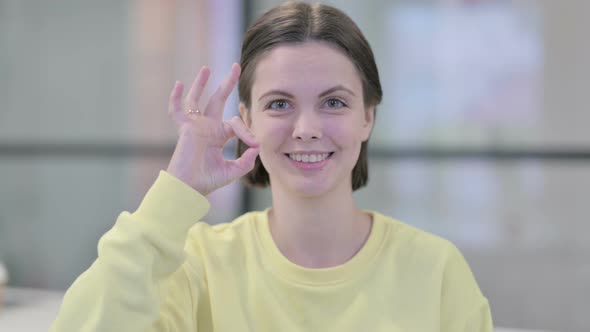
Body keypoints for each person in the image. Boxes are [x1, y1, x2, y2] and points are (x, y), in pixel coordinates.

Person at [50, 2, 493, 331]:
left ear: (368, 117)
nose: (306, 128)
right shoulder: (195, 265)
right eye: (279, 104)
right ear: (245, 120)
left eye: (334, 102)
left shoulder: (436, 272)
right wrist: (174, 192)